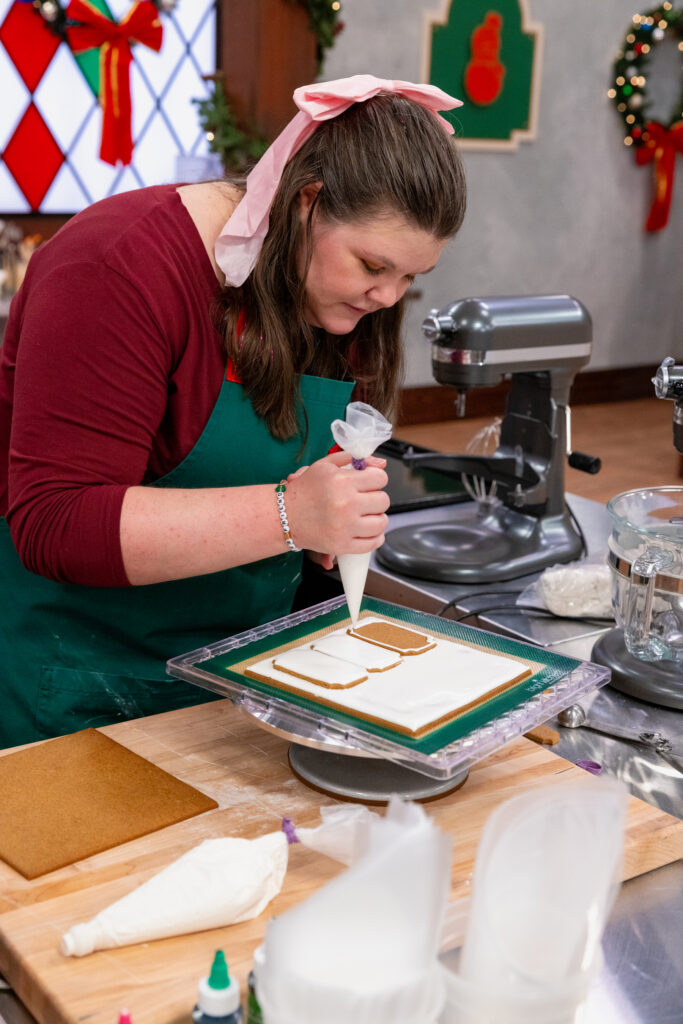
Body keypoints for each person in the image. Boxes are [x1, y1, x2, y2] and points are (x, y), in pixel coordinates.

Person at [0, 75, 466, 749]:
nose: (387, 297)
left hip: (239, 683)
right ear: (305, 203)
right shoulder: (114, 268)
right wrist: (289, 513)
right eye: (373, 264)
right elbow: (58, 520)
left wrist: (326, 523)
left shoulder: (329, 296)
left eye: (409, 279)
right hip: (75, 692)